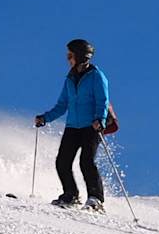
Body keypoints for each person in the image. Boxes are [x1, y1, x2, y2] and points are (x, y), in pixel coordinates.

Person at [35, 39, 110, 212]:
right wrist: (45, 118)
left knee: (86, 161)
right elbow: (62, 105)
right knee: (62, 161)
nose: (68, 59)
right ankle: (71, 194)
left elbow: (102, 101)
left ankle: (96, 199)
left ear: (81, 56)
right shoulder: (69, 78)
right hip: (73, 126)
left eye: (70, 55)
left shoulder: (97, 76)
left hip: (92, 126)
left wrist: (100, 119)